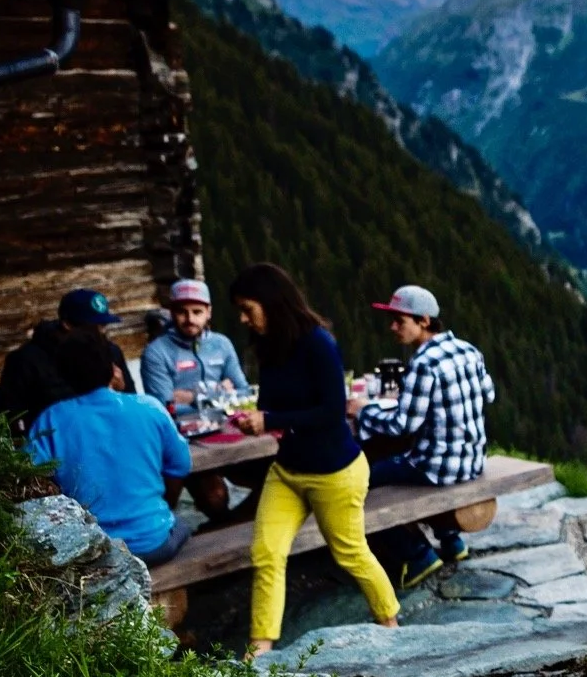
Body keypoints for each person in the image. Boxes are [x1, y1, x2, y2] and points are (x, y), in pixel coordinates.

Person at [225, 263, 399, 655]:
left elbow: (332, 410)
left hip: (335, 472)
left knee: (349, 553)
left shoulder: (318, 343)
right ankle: (261, 648)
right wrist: (251, 418)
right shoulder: (269, 345)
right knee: (267, 552)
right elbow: (272, 403)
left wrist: (269, 419)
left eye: (246, 308)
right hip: (288, 471)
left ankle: (390, 623)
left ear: (271, 302)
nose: (242, 318)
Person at [351, 284, 497, 589]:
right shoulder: (469, 350)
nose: (393, 327)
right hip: (473, 461)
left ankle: (417, 556)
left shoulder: (424, 363)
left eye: (400, 321)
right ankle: (452, 541)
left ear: (425, 321)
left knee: (355, 485)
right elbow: (489, 395)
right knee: (392, 459)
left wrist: (362, 410)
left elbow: (402, 425)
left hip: (436, 467)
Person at [26, 332, 192, 567]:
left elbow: (32, 479)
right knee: (182, 524)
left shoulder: (51, 420)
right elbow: (180, 466)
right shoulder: (149, 407)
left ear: (63, 375)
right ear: (114, 369)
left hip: (92, 551)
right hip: (153, 545)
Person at [141, 278, 256, 521]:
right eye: (182, 312)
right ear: (171, 313)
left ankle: (236, 530)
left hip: (229, 434)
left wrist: (192, 396)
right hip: (182, 441)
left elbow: (244, 392)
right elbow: (165, 407)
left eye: (197, 312)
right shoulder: (156, 352)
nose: (190, 319)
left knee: (264, 474)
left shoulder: (221, 344)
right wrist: (218, 391)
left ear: (208, 312)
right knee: (214, 498)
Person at [0, 288, 133, 438]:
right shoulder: (27, 360)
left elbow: (132, 405)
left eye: (103, 326)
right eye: (92, 327)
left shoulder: (110, 352)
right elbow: (4, 418)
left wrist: (121, 391)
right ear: (67, 324)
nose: (100, 333)